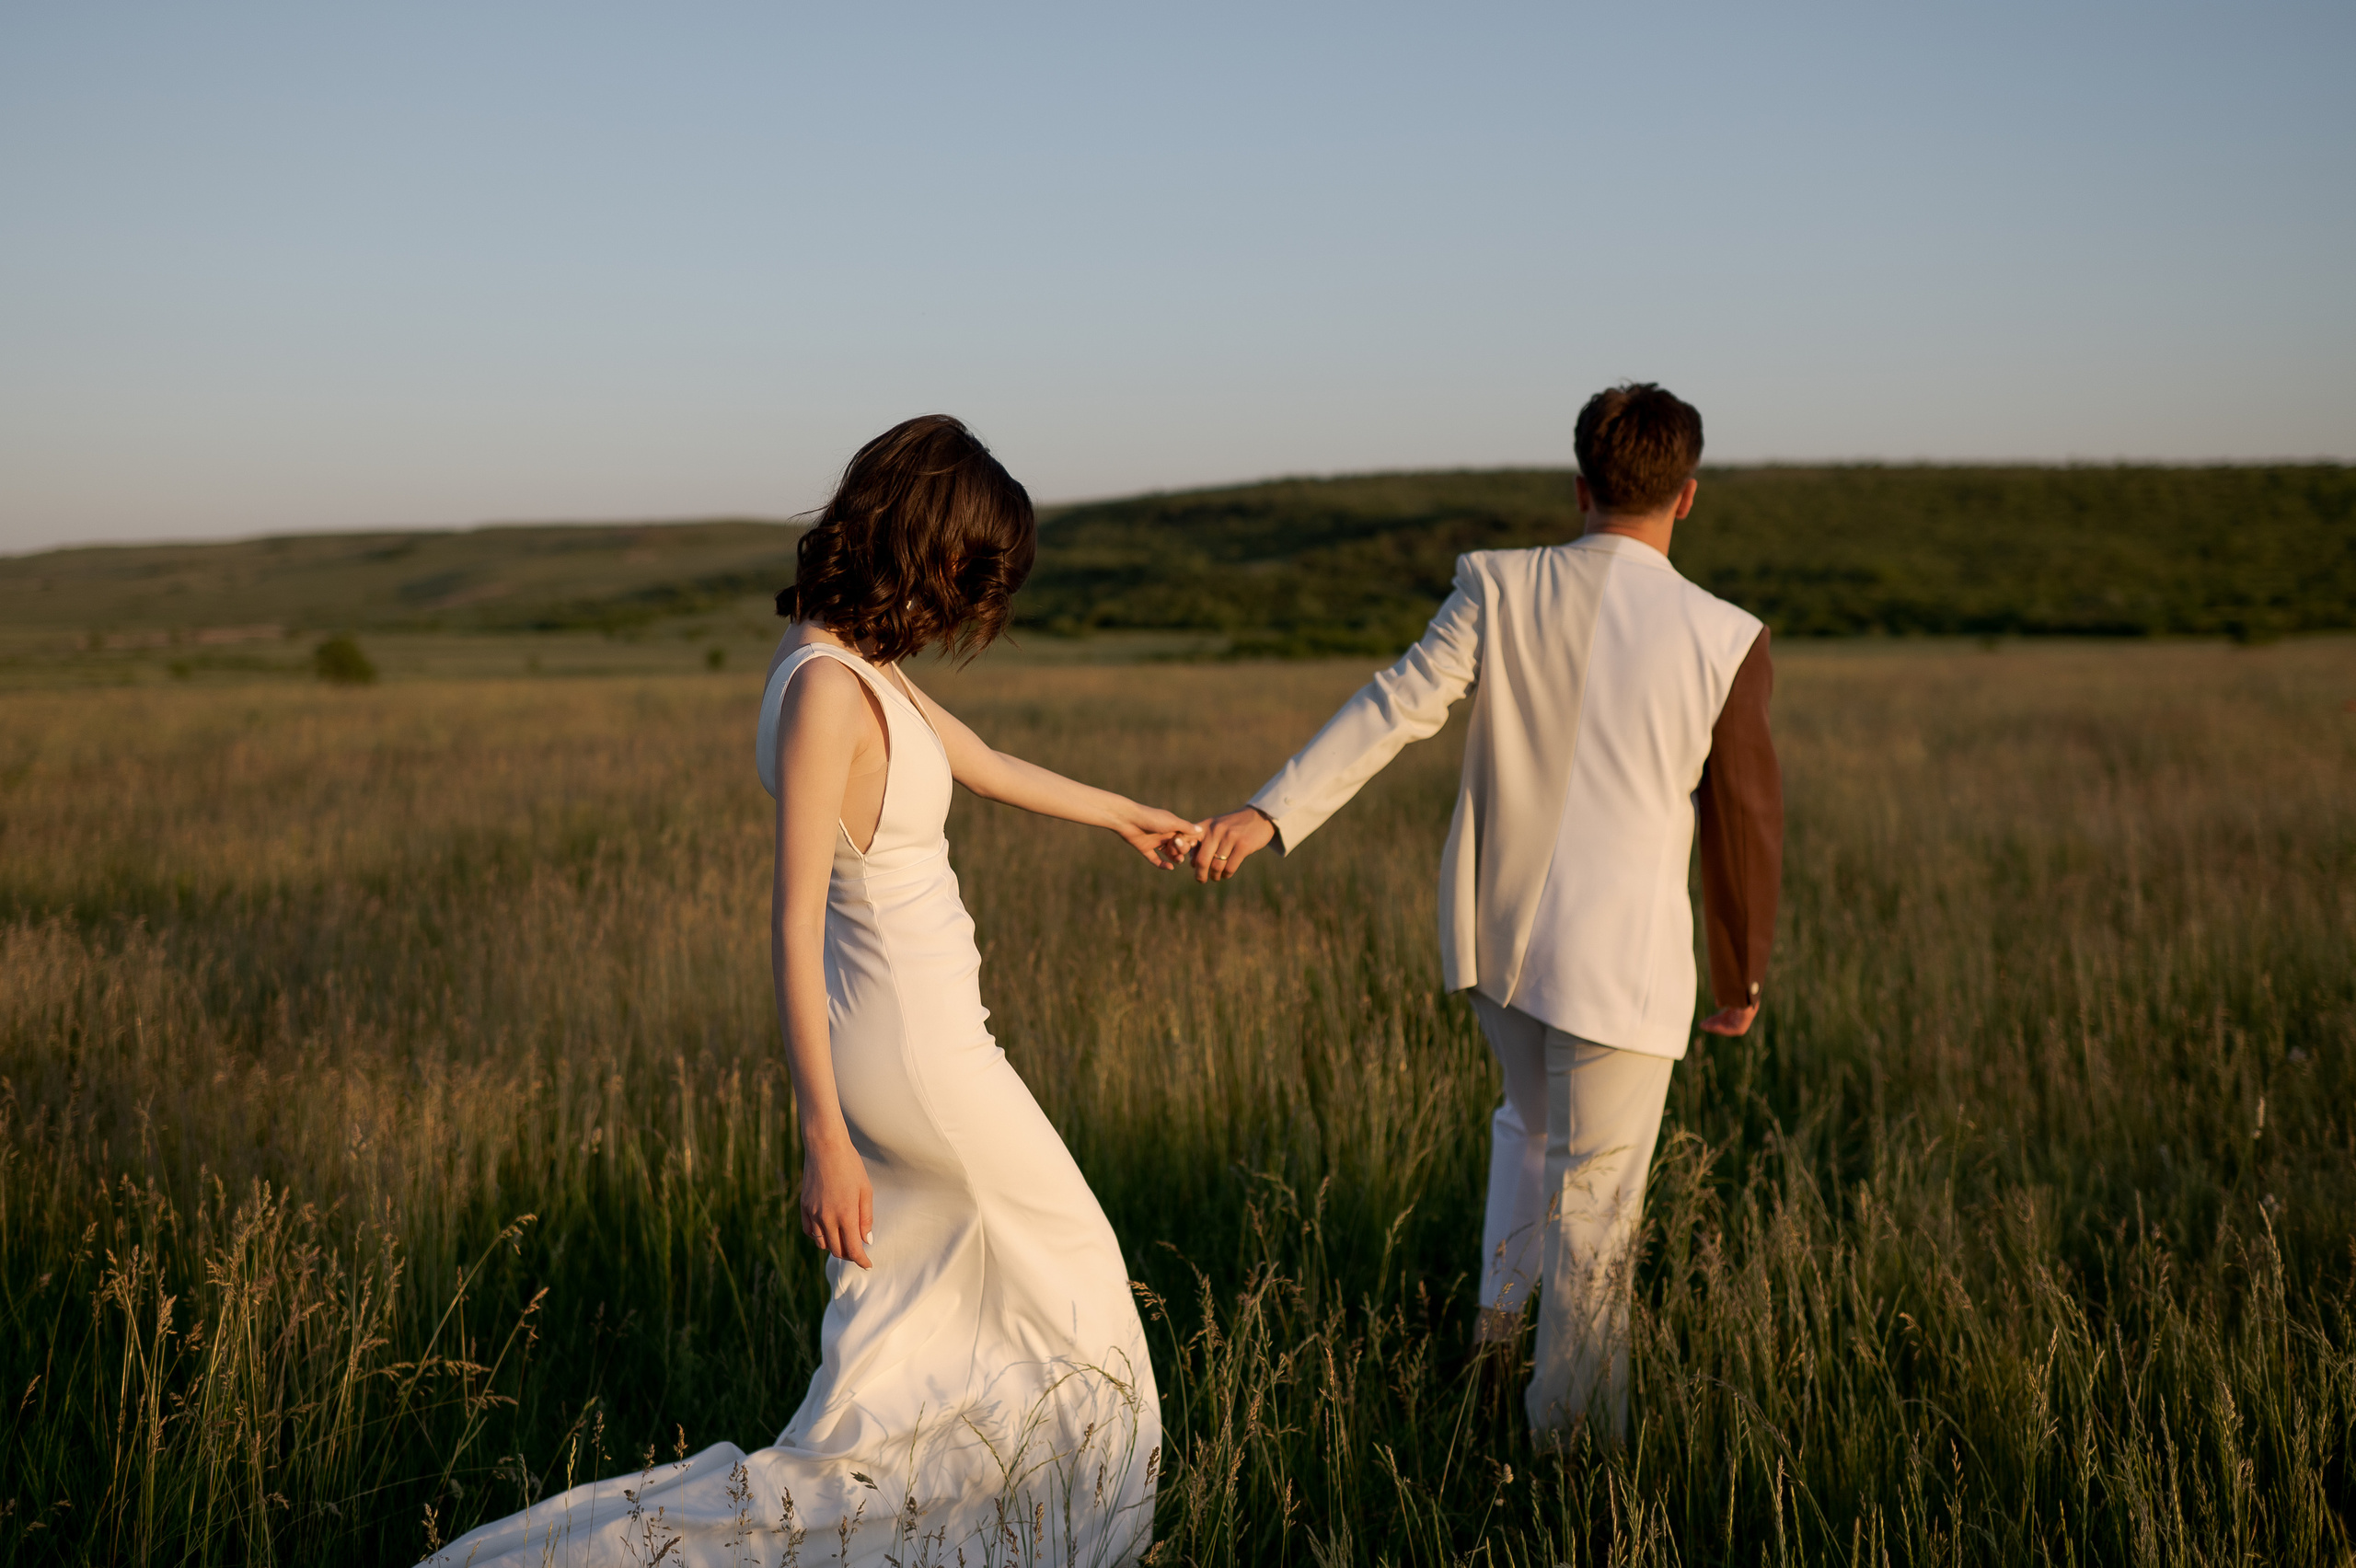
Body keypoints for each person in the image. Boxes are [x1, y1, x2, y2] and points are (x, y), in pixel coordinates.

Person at [429, 415, 1189, 1568]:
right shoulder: (830, 688)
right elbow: (788, 919)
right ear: (921, 538)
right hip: (917, 1059)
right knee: (1079, 1290)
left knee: (945, 1326)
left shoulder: (854, 663)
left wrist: (1129, 816)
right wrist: (822, 1139)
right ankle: (1014, 1529)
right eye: (965, 562)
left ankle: (960, 1521)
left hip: (926, 1043)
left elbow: (982, 763)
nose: (969, 593)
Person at [1189, 383, 1783, 1444]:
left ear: (1579, 485)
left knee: (1527, 1126)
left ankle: (1494, 1337)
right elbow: (1742, 820)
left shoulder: (1497, 586)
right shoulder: (1725, 636)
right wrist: (1738, 978)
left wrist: (1269, 813)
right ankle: (1570, 1452)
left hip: (1496, 946)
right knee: (1596, 1209)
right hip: (1625, 975)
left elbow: (1395, 704)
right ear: (1687, 498)